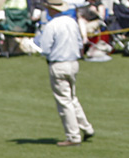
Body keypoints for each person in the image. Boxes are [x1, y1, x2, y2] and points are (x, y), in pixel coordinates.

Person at [38, 0, 93, 147]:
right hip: (73, 62)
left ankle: (73, 136)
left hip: (58, 63)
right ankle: (86, 127)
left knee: (64, 101)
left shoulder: (51, 25)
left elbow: (45, 48)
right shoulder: (72, 22)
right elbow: (80, 43)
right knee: (72, 97)